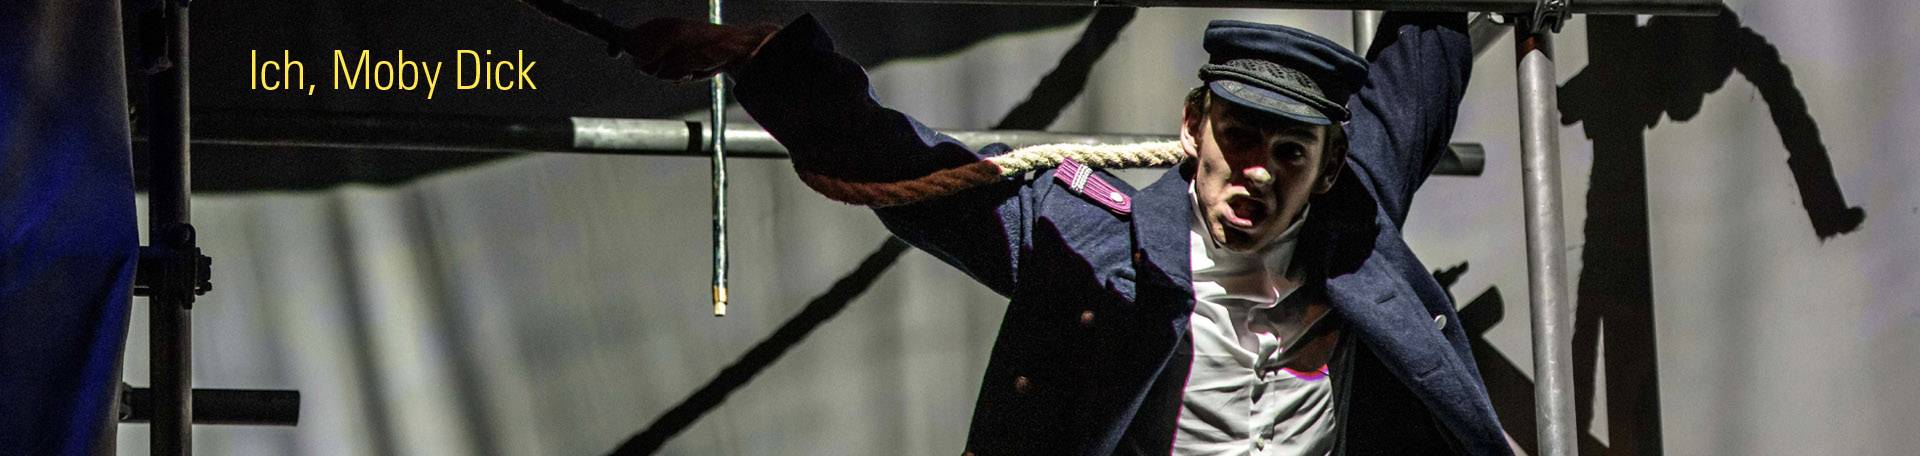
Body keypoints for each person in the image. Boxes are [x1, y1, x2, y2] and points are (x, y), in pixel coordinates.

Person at [624, 10, 1509, 455]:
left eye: (1291, 154)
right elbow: (905, 165)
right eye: (1240, 138)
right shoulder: (1090, 234)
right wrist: (765, 57)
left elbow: (1417, 70)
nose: (1261, 174)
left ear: (1328, 162)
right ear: (1194, 126)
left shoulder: (1351, 220)